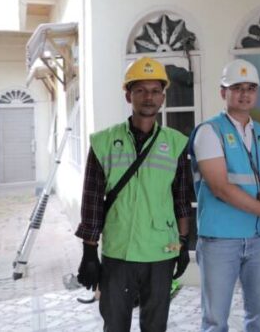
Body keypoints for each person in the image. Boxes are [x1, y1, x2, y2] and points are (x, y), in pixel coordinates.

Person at [75, 56, 192, 331]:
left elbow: (182, 200)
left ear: (163, 97)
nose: (148, 97)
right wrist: (89, 252)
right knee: (115, 325)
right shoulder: (104, 142)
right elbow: (92, 202)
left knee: (155, 325)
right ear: (128, 95)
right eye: (140, 90)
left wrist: (183, 243)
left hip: (161, 252)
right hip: (119, 253)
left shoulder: (176, 143)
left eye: (155, 91)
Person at [189, 59, 260, 332]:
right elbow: (220, 187)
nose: (245, 94)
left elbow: (253, 175)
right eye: (237, 87)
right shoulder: (209, 131)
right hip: (221, 238)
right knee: (215, 319)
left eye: (251, 88)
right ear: (223, 92)